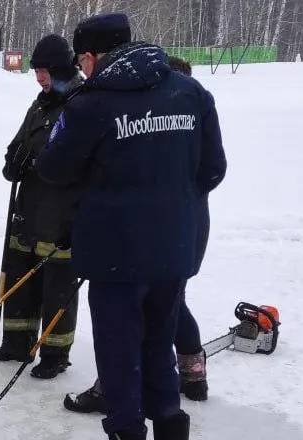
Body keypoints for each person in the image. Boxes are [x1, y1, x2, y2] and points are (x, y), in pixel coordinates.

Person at [36, 13, 226, 440]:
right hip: (175, 249)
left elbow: (53, 168)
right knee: (158, 346)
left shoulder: (92, 104)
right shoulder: (190, 93)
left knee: (120, 355)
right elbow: (213, 170)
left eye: (82, 58)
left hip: (116, 251)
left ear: (92, 56)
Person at [63, 54, 212, 413]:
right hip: (180, 229)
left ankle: (122, 394)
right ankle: (189, 373)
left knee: (137, 318)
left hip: (150, 235)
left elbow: (211, 170)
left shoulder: (158, 117)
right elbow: (212, 170)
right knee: (169, 305)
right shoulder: (187, 114)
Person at [0, 33, 84, 379]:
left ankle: (55, 352)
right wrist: (12, 161)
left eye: (44, 70)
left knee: (57, 286)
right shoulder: (40, 103)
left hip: (61, 212)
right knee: (19, 278)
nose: (39, 77)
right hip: (28, 208)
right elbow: (19, 142)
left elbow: (77, 162)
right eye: (36, 71)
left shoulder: (80, 103)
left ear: (60, 68)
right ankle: (17, 341)